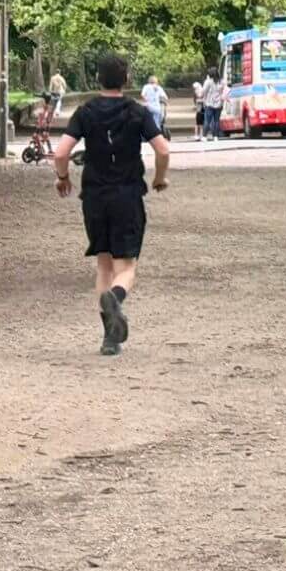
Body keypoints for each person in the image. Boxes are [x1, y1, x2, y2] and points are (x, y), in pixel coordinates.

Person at [53, 54, 170, 357]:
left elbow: (61, 152)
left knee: (104, 265)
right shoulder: (137, 112)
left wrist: (63, 178)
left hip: (94, 197)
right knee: (126, 267)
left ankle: (110, 339)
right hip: (127, 195)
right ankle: (116, 298)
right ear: (127, 79)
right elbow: (163, 149)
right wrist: (159, 178)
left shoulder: (86, 111)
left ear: (97, 79)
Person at [202, 71, 224, 140]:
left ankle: (204, 136)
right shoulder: (221, 82)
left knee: (207, 121)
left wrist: (204, 100)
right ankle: (215, 136)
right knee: (216, 121)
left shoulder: (208, 82)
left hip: (209, 103)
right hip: (219, 104)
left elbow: (204, 91)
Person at [192, 77, 205, 142]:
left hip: (200, 109)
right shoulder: (200, 91)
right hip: (200, 109)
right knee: (199, 123)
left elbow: (196, 100)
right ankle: (198, 135)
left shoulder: (199, 91)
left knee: (200, 123)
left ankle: (199, 135)